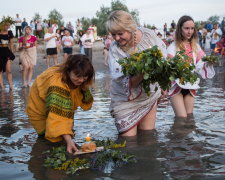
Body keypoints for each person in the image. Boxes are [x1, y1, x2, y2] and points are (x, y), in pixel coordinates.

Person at [106, 10, 167, 136]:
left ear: (130, 28)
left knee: (147, 137)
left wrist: (164, 85)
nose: (117, 38)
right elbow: (129, 83)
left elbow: (163, 62)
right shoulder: (115, 49)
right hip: (124, 100)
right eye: (113, 34)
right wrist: (144, 70)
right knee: (129, 143)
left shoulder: (149, 36)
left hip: (148, 96)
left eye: (120, 33)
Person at [26, 54, 95, 154]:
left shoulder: (79, 80)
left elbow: (69, 106)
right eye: (78, 76)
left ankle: (65, 144)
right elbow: (57, 117)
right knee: (52, 139)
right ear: (68, 71)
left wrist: (68, 134)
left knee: (66, 133)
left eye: (84, 77)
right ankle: (43, 156)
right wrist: (69, 140)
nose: (81, 80)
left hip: (56, 104)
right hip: (39, 109)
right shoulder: (57, 84)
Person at [167, 15, 215, 118]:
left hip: (190, 85)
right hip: (176, 86)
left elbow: (200, 64)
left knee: (189, 118)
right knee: (182, 118)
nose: (189, 31)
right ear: (180, 29)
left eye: (192, 28)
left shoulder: (196, 46)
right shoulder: (172, 47)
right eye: (186, 28)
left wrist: (209, 62)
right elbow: (168, 67)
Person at [0, 22, 15, 90]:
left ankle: (11, 85)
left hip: (7, 52)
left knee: (9, 70)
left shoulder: (10, 33)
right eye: (6, 25)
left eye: (8, 25)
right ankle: (2, 85)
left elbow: (11, 43)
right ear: (3, 25)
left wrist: (12, 52)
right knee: (0, 70)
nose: (7, 27)